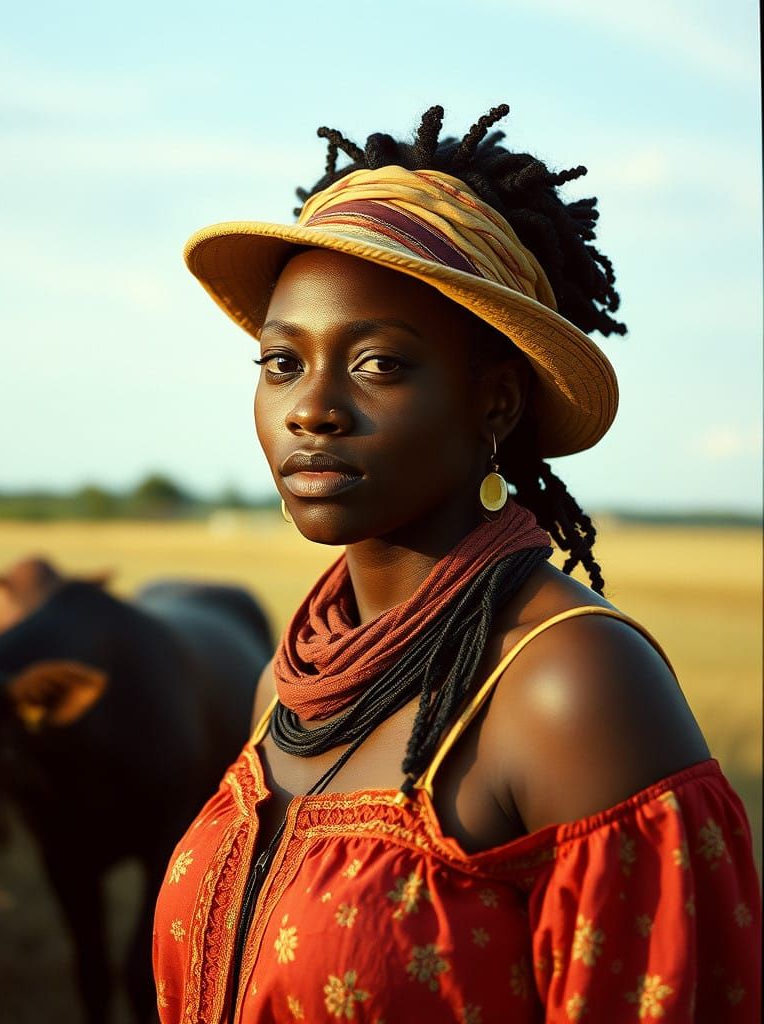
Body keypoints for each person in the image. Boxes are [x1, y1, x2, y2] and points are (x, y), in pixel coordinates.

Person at [151, 104, 760, 1022]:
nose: (311, 408)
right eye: (281, 362)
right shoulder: (291, 685)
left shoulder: (570, 687)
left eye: (378, 364)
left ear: (496, 404)